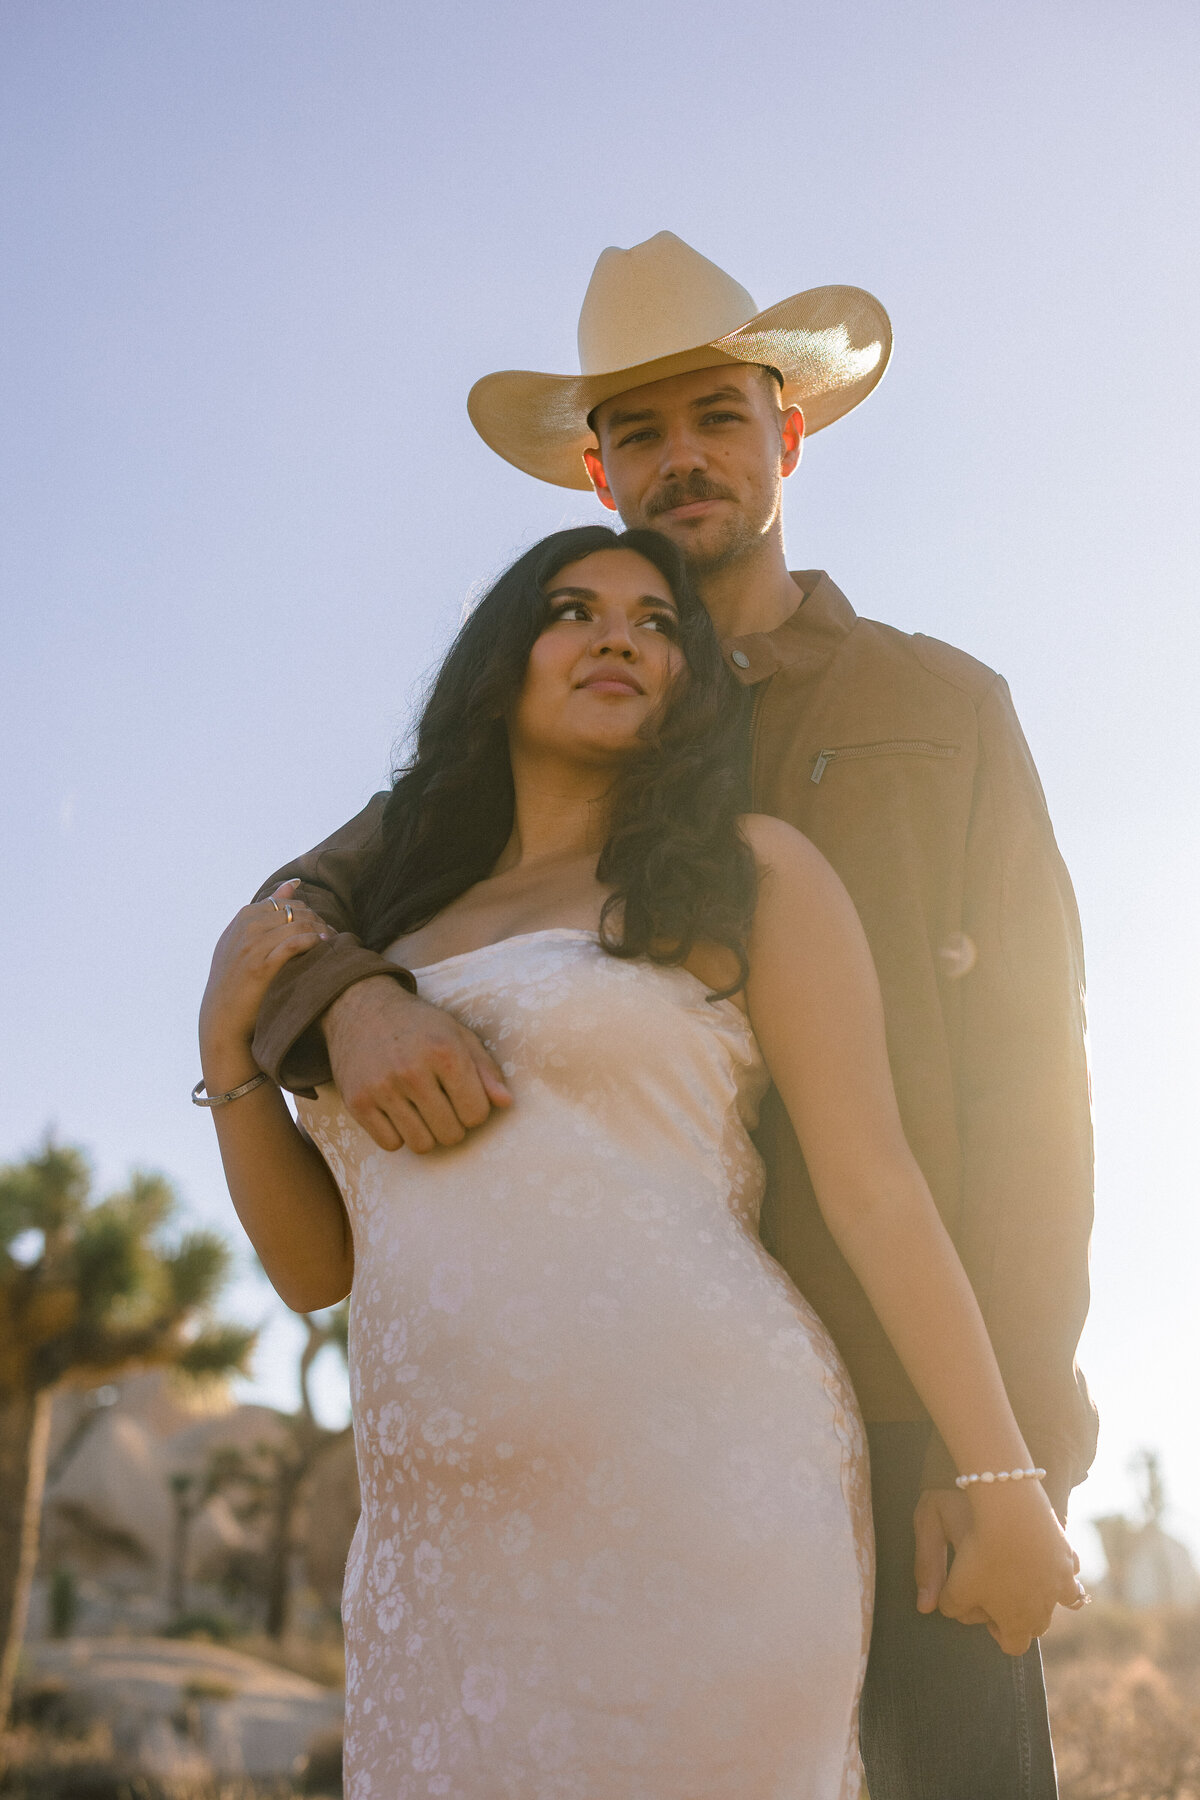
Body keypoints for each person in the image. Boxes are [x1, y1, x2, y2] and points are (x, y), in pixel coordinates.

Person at [248, 234, 1097, 1799]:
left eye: (716, 412)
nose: (681, 455)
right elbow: (282, 919)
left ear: (788, 433)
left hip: (912, 1399)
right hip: (586, 1424)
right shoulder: (538, 732)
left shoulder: (939, 709)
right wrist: (348, 999)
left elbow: (1035, 1093)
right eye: (639, 429)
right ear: (598, 470)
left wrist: (1013, 1445)